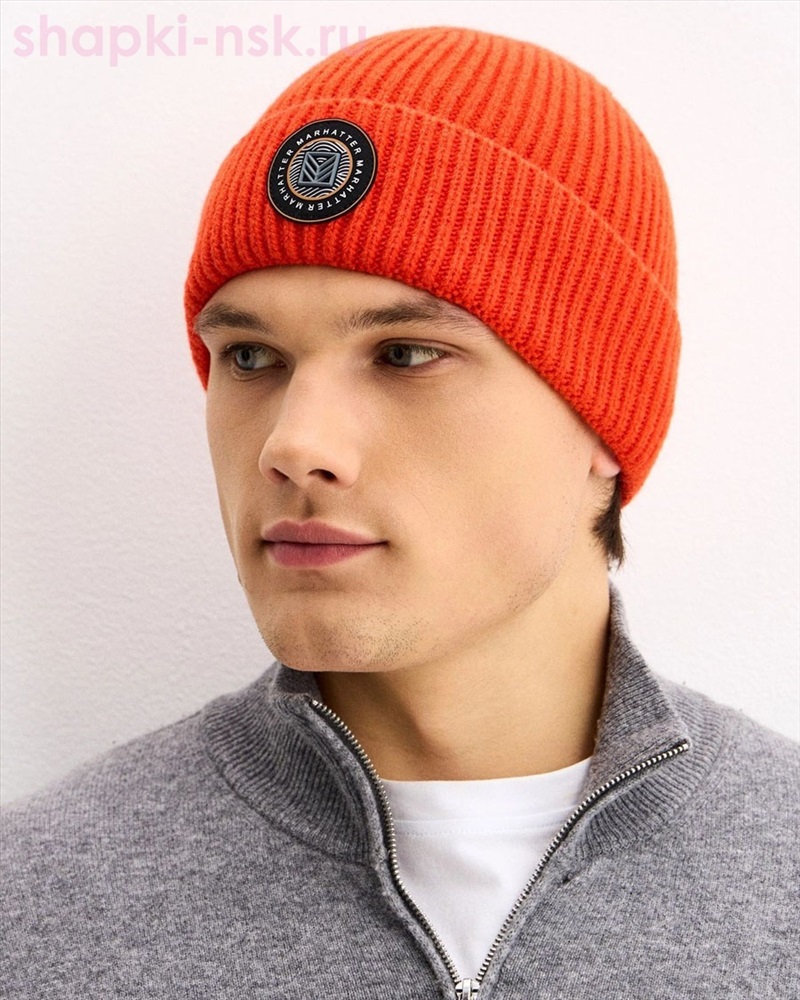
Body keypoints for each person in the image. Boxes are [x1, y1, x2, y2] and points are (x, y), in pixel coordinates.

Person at [1, 25, 797, 1000]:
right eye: (250, 356)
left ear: (601, 414)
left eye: (406, 354)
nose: (294, 443)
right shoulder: (37, 906)